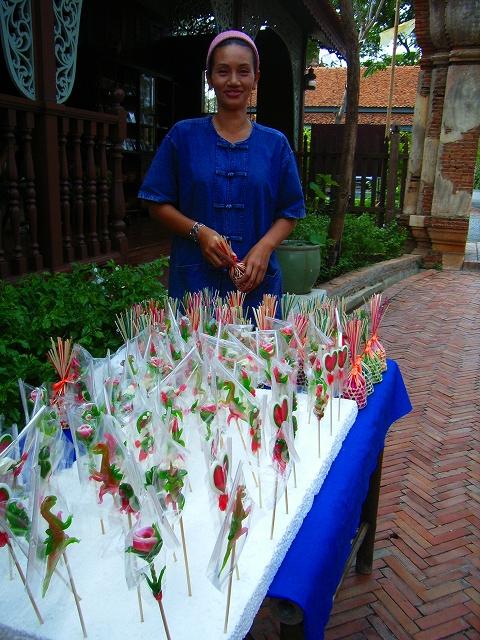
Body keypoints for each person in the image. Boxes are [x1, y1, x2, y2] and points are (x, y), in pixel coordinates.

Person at [138, 30, 305, 313]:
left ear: (256, 78)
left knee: (258, 343)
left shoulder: (275, 145)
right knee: (194, 342)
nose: (234, 81)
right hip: (195, 284)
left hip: (256, 286)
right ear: (209, 78)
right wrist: (199, 232)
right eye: (223, 71)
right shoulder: (183, 137)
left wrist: (265, 247)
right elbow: (156, 203)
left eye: (243, 71)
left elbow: (290, 212)